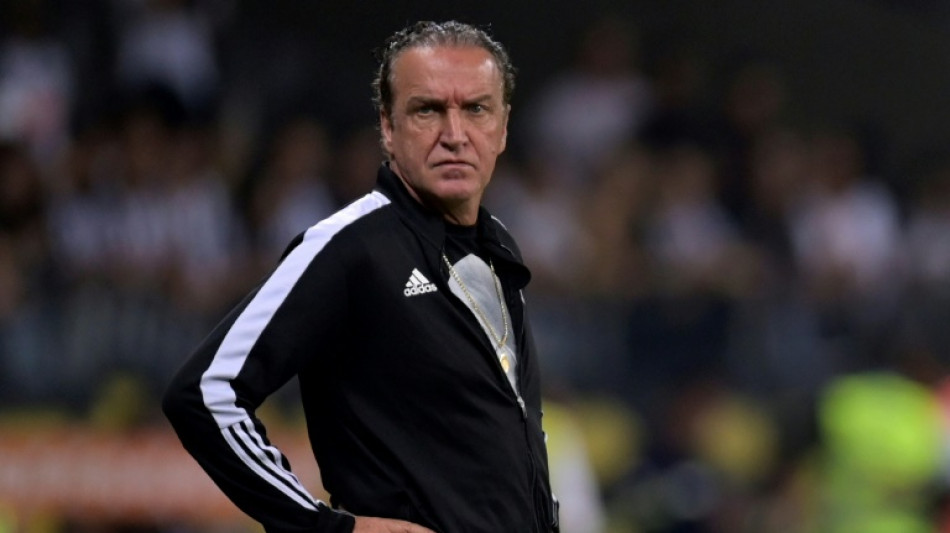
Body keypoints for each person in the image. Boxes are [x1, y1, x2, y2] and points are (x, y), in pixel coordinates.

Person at [162, 20, 559, 533]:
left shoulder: (496, 243)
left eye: (476, 109)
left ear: (503, 128)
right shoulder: (348, 246)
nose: (455, 135)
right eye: (427, 110)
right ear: (388, 128)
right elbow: (204, 392)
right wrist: (326, 529)